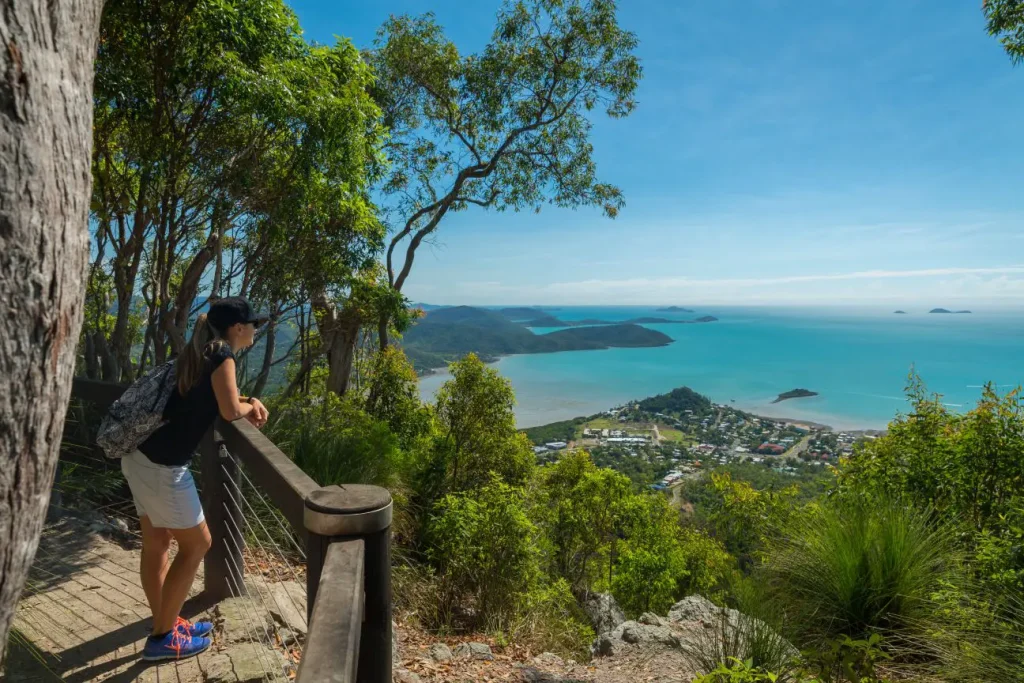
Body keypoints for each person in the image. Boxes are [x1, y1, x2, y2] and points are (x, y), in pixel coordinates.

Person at [121, 297, 270, 661]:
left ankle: (165, 622)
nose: (255, 330)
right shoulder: (223, 355)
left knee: (157, 542)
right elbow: (230, 410)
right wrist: (252, 406)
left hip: (140, 457)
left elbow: (218, 397)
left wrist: (245, 397)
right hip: (163, 467)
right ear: (238, 328)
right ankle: (162, 640)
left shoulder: (203, 350)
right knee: (198, 544)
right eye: (253, 325)